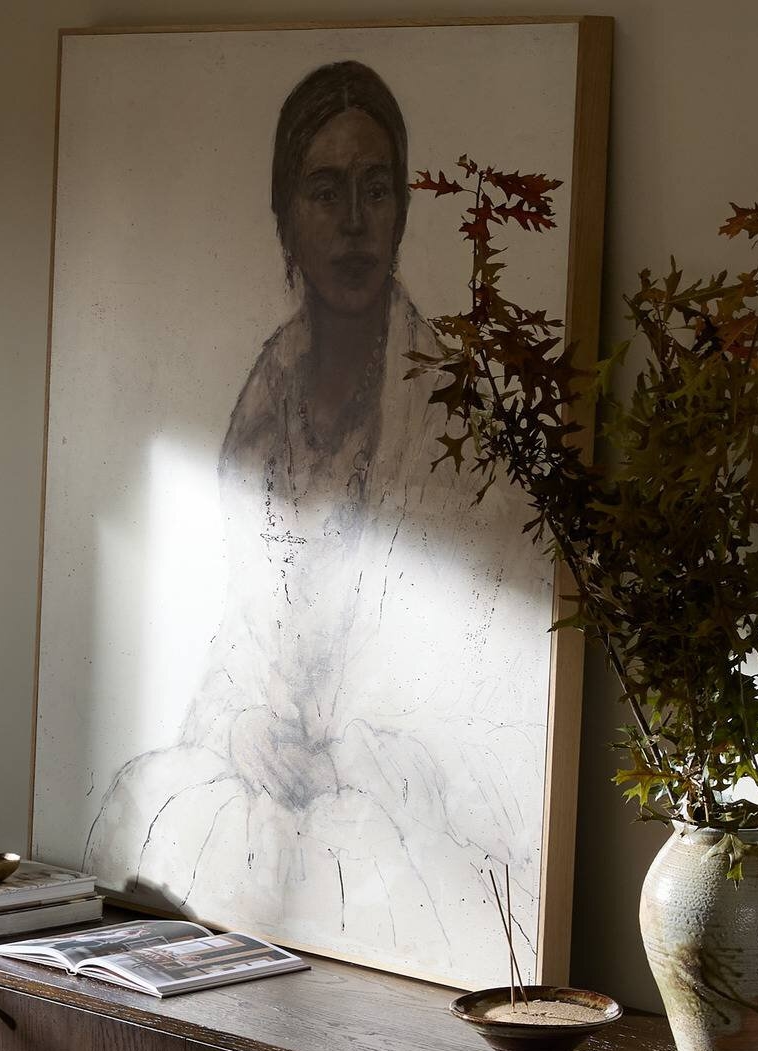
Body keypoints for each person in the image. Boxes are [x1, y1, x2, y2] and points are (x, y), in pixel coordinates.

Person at [86, 60, 551, 981]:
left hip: (402, 783)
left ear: (401, 210)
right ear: (285, 218)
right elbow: (242, 627)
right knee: (148, 805)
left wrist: (347, 756)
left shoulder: (450, 415)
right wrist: (246, 728)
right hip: (278, 767)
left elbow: (483, 672)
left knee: (355, 863)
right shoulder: (268, 393)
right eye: (325, 191)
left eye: (375, 189)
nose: (352, 222)